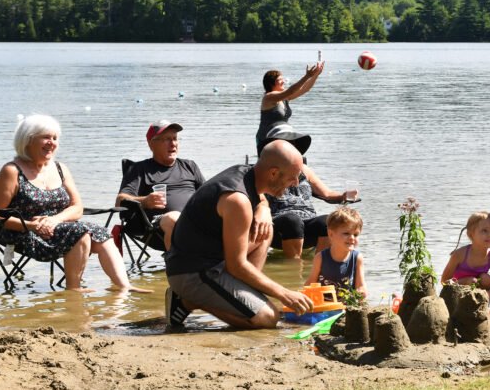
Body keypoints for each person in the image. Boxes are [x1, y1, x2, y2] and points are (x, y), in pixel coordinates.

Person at [0, 114, 149, 293]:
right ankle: (73, 289)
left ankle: (124, 287)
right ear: (28, 140)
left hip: (59, 228)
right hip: (21, 233)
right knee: (80, 232)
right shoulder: (11, 171)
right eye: (46, 137)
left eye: (55, 138)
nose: (52, 143)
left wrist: (54, 220)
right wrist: (32, 226)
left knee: (100, 234)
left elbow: (77, 208)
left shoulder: (60, 168)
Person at [164, 140, 314, 330]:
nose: (295, 184)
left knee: (265, 231)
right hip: (192, 272)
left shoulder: (247, 173)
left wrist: (264, 208)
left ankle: (245, 298)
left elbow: (258, 196)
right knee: (268, 319)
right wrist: (283, 293)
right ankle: (185, 302)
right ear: (274, 173)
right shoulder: (237, 201)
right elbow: (237, 265)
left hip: (211, 259)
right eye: (293, 178)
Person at [261, 122, 359, 259]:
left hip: (308, 220)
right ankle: (294, 269)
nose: (291, 147)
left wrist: (344, 195)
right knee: (292, 221)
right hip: (279, 225)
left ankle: (321, 266)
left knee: (326, 221)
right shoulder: (266, 171)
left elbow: (327, 194)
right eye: (286, 143)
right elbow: (257, 198)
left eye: (292, 143)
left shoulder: (304, 170)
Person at [116, 120, 205, 251]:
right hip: (157, 225)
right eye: (167, 139)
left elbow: (208, 194)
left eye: (175, 139)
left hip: (194, 219)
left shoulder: (189, 166)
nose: (173, 144)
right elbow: (120, 201)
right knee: (174, 217)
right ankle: (178, 267)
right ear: (151, 144)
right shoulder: (139, 169)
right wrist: (144, 201)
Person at [255, 59, 324, 155]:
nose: (283, 81)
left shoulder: (284, 98)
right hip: (266, 139)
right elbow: (290, 91)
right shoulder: (268, 97)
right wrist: (307, 76)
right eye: (280, 80)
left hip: (283, 136)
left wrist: (316, 75)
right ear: (271, 83)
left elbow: (305, 89)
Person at [305, 206, 366, 298]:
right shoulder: (321, 258)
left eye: (356, 234)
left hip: (348, 304)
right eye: (346, 233)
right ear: (331, 234)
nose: (352, 238)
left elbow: (360, 286)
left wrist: (360, 294)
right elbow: (310, 284)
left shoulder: (357, 258)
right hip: (325, 304)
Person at [441, 212, 490, 298]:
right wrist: (465, 281)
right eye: (484, 230)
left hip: (479, 296)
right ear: (471, 234)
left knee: (486, 279)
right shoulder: (459, 254)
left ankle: (478, 302)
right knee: (473, 281)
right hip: (455, 294)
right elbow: (444, 281)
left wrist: (487, 295)